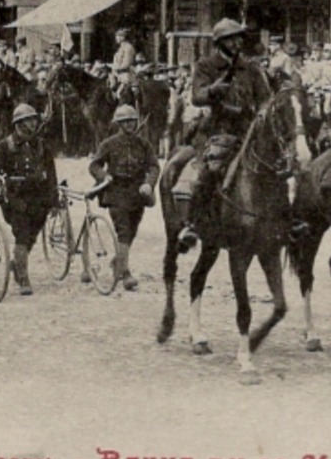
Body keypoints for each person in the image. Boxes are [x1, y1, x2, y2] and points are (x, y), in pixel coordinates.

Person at [170, 18, 272, 250]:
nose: (236, 43)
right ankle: (193, 223)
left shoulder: (251, 67)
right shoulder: (205, 66)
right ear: (219, 42)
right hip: (218, 129)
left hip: (249, 129)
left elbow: (265, 97)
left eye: (238, 38)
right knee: (212, 168)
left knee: (276, 161)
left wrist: (263, 112)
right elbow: (197, 96)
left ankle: (284, 219)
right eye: (231, 39)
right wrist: (213, 90)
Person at [0, 104, 58, 295]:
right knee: (22, 234)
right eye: (28, 120)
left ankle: (17, 264)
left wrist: (54, 200)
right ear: (18, 123)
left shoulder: (42, 146)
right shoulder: (5, 146)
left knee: (31, 235)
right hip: (15, 198)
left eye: (34, 120)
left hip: (39, 198)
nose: (33, 124)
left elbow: (51, 174)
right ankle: (23, 277)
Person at [88, 104, 158, 291]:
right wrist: (104, 176)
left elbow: (153, 166)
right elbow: (94, 165)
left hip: (137, 193)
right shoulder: (108, 144)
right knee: (123, 230)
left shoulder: (144, 144)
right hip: (116, 192)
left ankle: (117, 262)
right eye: (125, 122)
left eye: (132, 121)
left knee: (132, 231)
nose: (130, 125)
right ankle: (125, 273)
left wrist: (149, 184)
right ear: (119, 123)